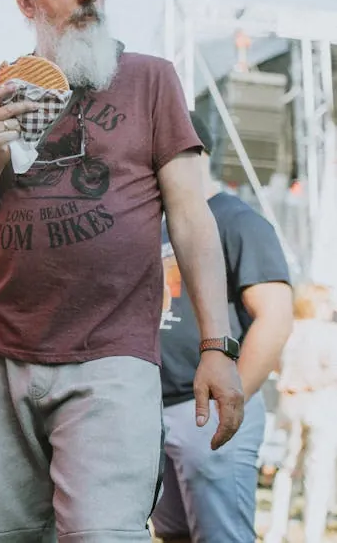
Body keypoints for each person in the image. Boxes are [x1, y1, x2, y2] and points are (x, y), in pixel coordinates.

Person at [0, 0, 245, 542]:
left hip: (110, 353)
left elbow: (190, 216)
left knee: (103, 535)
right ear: (27, 0)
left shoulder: (151, 80)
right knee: (0, 535)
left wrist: (217, 346)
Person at [153, 112, 293, 542]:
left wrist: (229, 403)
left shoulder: (236, 220)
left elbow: (276, 316)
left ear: (196, 153)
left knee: (222, 537)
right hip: (157, 409)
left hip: (207, 414)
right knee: (173, 533)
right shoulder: (159, 222)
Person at [264, 290, 337, 543]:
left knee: (288, 469)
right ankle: (312, 533)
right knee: (318, 471)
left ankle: (276, 530)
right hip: (321, 406)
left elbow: (273, 363)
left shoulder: (288, 331)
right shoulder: (328, 333)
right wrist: (309, 383)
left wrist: (291, 382)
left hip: (290, 405)